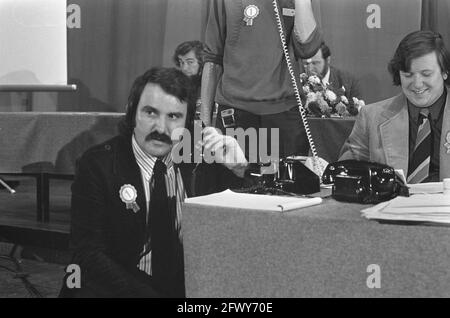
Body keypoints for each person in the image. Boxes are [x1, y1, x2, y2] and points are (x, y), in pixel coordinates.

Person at [59, 67, 250, 298]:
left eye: (173, 116)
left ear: (187, 122)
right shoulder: (98, 164)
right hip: (119, 288)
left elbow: (242, 230)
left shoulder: (202, 158)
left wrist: (239, 170)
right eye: (151, 113)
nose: (161, 128)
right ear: (132, 113)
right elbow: (88, 254)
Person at [200, 0, 322, 158]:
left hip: (285, 114)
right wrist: (204, 124)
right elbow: (212, 60)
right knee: (234, 182)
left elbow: (307, 47)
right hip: (236, 113)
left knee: (287, 181)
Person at [339, 30, 450, 183]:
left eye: (426, 74)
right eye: (408, 75)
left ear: (445, 72)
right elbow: (346, 173)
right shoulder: (372, 117)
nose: (417, 84)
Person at [173, 40, 206, 119]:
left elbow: (199, 124)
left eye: (190, 62)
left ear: (201, 62)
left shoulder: (206, 87)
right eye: (181, 62)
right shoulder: (176, 84)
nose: (184, 68)